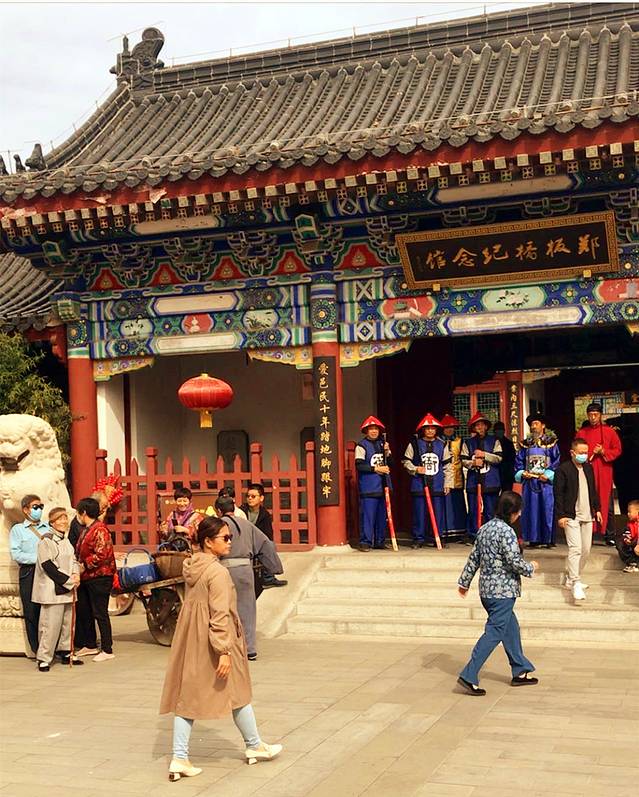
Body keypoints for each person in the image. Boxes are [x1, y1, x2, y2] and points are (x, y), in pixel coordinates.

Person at [159, 516, 282, 781]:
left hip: (193, 638)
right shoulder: (217, 572)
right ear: (208, 541)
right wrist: (224, 651)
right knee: (229, 690)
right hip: (217, 639)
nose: (229, 542)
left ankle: (250, 745)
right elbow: (219, 614)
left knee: (193, 695)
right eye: (225, 538)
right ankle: (184, 756)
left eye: (230, 537)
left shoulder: (192, 565)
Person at [457, 491, 539, 696]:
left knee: (510, 628)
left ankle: (520, 669)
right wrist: (531, 567)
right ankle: (469, 674)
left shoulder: (484, 529)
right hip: (503, 592)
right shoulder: (507, 532)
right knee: (494, 632)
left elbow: (474, 559)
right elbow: (513, 561)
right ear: (511, 511)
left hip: (487, 591)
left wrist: (464, 582)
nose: (519, 514)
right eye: (518, 511)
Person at [215, 495, 284, 661]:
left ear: (218, 510)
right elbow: (266, 543)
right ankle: (250, 649)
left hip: (224, 569)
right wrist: (274, 568)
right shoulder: (246, 524)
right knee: (247, 609)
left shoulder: (218, 525)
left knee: (223, 609)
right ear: (234, 507)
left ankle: (229, 647)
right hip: (246, 569)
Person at [31, 507, 83, 671]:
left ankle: (66, 651)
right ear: (52, 522)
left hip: (68, 588)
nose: (63, 522)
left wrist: (76, 574)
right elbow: (48, 565)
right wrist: (68, 581)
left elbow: (73, 560)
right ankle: (44, 657)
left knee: (68, 624)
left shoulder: (66, 540)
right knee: (50, 626)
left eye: (65, 518)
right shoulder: (46, 541)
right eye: (59, 519)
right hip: (52, 589)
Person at [553, 438, 602, 603]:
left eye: (586, 452)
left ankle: (572, 577)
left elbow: (593, 490)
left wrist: (598, 509)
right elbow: (558, 494)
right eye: (581, 453)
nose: (584, 455)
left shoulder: (588, 468)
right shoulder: (563, 470)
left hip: (587, 515)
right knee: (575, 549)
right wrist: (561, 515)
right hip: (570, 515)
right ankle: (575, 582)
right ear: (572, 453)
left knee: (586, 550)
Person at [74, 497, 117, 660]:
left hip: (100, 576)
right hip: (87, 576)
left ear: (83, 512)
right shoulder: (88, 528)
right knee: (85, 610)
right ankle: (90, 644)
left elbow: (102, 554)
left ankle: (107, 649)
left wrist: (85, 564)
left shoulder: (100, 529)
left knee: (100, 612)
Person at [402, 414, 451, 548]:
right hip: (419, 484)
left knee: (438, 513)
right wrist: (415, 469)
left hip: (437, 483)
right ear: (423, 430)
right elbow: (406, 461)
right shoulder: (414, 444)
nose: (430, 431)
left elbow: (447, 465)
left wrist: (447, 483)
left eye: (432, 428)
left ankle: (437, 537)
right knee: (419, 513)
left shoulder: (442, 444)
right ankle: (418, 538)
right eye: (427, 428)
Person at [9, 495, 49, 655]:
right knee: (31, 611)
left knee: (48, 610)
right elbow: (16, 554)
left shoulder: (48, 528)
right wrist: (38, 559)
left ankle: (50, 647)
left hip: (48, 572)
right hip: (29, 572)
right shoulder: (17, 530)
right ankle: (36, 649)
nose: (39, 510)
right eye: (35, 507)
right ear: (26, 510)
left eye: (41, 507)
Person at [578, 402, 622, 545]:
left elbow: (617, 450)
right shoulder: (582, 432)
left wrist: (603, 451)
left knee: (607, 503)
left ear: (600, 415)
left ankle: (609, 534)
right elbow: (575, 450)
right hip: (587, 469)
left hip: (604, 470)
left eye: (595, 415)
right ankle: (588, 534)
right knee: (586, 501)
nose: (593, 418)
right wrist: (587, 455)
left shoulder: (609, 431)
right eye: (590, 415)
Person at [514, 413, 561, 548]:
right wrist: (522, 472)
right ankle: (533, 538)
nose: (533, 427)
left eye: (536, 424)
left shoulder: (551, 442)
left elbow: (556, 461)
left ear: (543, 425)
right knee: (531, 509)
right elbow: (519, 461)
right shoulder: (525, 444)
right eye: (532, 424)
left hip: (545, 482)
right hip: (530, 483)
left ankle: (548, 539)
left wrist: (549, 474)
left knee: (547, 508)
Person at [461, 412, 502, 541]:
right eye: (477, 425)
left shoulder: (494, 441)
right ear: (473, 428)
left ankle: (491, 535)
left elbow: (499, 458)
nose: (480, 427)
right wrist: (473, 463)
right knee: (474, 510)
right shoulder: (468, 443)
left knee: (490, 510)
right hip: (473, 481)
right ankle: (474, 535)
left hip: (491, 481)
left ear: (486, 426)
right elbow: (463, 460)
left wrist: (484, 455)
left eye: (482, 425)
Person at [354, 416, 392, 552]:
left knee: (382, 516)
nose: (374, 431)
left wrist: (387, 452)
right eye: (371, 429)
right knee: (368, 516)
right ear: (366, 431)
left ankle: (380, 541)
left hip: (383, 485)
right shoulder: (361, 445)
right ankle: (365, 542)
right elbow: (359, 465)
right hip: (369, 486)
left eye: (376, 429)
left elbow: (390, 464)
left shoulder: (383, 444)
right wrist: (375, 469)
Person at [240, 484, 287, 588]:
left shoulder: (265, 514)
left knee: (269, 545)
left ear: (261, 498)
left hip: (257, 542)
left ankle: (269, 578)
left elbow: (268, 533)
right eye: (248, 496)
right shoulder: (241, 511)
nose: (250, 498)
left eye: (253, 496)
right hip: (243, 541)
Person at [440, 414, 468, 543]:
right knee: (443, 506)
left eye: (451, 427)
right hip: (443, 478)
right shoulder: (438, 442)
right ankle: (443, 532)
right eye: (446, 427)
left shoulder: (460, 441)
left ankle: (458, 532)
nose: (449, 430)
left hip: (457, 477)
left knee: (457, 506)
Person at [617, 499, 639, 573]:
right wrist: (627, 539)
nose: (628, 514)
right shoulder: (629, 525)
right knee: (620, 542)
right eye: (628, 512)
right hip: (633, 546)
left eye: (630, 512)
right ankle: (632, 563)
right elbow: (626, 534)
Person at [493, 421, 516, 492]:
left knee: (506, 494)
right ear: (494, 431)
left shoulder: (509, 444)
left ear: (504, 431)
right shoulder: (490, 442)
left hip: (507, 474)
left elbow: (512, 459)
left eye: (501, 430)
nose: (499, 432)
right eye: (497, 430)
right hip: (494, 473)